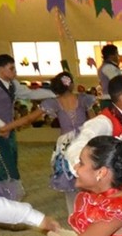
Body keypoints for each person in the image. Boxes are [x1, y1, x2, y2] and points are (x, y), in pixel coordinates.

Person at [0, 54, 53, 200]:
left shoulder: (13, 85)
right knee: (9, 171)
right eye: (11, 68)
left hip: (9, 133)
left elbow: (29, 93)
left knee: (7, 168)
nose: (15, 72)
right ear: (0, 69)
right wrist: (1, 126)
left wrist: (55, 93)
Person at [41, 72, 96, 215]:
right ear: (70, 84)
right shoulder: (83, 99)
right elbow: (94, 121)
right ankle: (90, 211)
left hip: (65, 144)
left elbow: (29, 118)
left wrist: (7, 127)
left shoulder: (54, 102)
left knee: (68, 176)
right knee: (89, 171)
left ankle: (74, 214)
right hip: (85, 140)